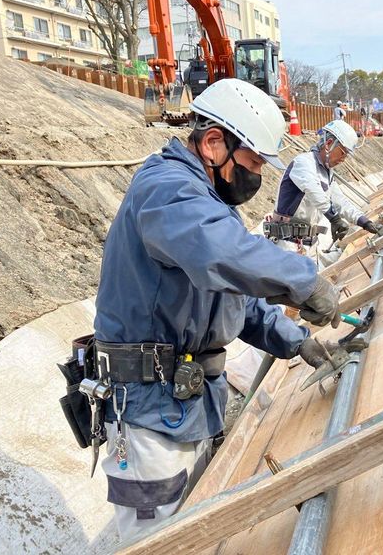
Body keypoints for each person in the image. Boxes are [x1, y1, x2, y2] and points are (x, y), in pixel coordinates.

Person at [92, 78, 340, 540]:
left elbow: (232, 302)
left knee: (193, 528)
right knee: (157, 543)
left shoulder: (205, 201)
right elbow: (222, 252)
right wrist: (303, 282)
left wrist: (297, 340)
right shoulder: (167, 190)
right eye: (251, 163)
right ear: (212, 143)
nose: (257, 178)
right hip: (148, 412)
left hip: (188, 403)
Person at [267, 120, 383, 264]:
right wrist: (335, 219)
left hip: (307, 245)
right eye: (343, 152)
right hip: (286, 245)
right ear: (329, 143)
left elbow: (341, 203)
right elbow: (314, 191)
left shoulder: (327, 174)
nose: (343, 159)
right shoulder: (303, 163)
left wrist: (365, 222)